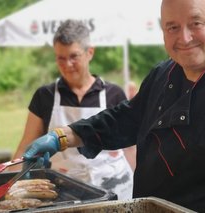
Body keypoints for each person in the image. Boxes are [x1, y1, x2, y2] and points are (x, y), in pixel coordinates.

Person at [22, 0, 205, 212]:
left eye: (196, 23)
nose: (184, 38)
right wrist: (63, 136)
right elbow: (126, 118)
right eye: (172, 27)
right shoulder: (163, 74)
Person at [12, 19, 134, 200]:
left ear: (90, 52)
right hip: (64, 190)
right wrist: (10, 182)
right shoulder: (44, 95)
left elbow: (130, 148)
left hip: (115, 188)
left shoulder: (114, 94)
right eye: (60, 58)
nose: (67, 64)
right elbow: (26, 146)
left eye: (73, 56)